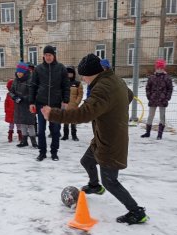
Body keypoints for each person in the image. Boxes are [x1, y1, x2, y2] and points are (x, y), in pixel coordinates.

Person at [41, 53, 148, 225]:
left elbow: (83, 114)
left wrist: (53, 114)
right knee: (86, 161)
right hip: (101, 137)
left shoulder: (102, 89)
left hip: (111, 142)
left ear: (91, 73)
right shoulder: (114, 80)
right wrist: (113, 110)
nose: (83, 79)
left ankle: (136, 211)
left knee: (110, 181)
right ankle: (94, 186)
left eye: (84, 75)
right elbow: (127, 96)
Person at [29, 45, 70, 161]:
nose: (48, 57)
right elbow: (33, 86)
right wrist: (31, 102)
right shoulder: (38, 69)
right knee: (41, 130)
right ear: (43, 56)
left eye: (50, 55)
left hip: (55, 104)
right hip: (41, 104)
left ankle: (54, 152)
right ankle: (42, 152)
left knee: (55, 130)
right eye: (46, 55)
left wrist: (66, 100)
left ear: (54, 56)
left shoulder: (61, 68)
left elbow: (66, 86)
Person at [141, 59, 173, 140]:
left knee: (162, 116)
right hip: (153, 99)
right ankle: (148, 132)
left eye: (161, 67)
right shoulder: (152, 78)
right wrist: (149, 96)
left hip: (163, 100)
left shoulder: (167, 78)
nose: (160, 69)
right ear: (156, 68)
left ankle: (160, 134)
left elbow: (170, 89)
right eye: (158, 67)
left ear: (164, 68)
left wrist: (167, 98)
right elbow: (148, 87)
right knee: (150, 116)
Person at [10, 61, 37, 148]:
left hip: (29, 106)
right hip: (19, 106)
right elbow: (11, 91)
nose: (19, 74)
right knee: (23, 124)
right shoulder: (15, 80)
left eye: (20, 72)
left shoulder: (30, 80)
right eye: (18, 72)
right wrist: (14, 97)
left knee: (30, 124)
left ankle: (34, 142)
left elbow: (32, 93)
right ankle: (24, 141)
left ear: (25, 72)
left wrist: (23, 98)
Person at [61, 66, 83, 141]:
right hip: (65, 105)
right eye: (68, 73)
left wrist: (77, 102)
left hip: (74, 105)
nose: (69, 74)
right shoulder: (63, 83)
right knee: (65, 120)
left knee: (73, 121)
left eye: (71, 73)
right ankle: (65, 135)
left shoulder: (77, 83)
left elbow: (80, 94)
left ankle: (74, 135)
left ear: (73, 74)